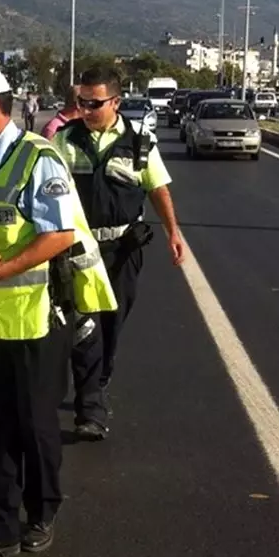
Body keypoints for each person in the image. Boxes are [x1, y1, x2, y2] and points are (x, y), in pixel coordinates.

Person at [0, 62, 116, 557]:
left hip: (36, 317)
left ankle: (42, 513)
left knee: (36, 426)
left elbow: (58, 234)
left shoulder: (39, 159)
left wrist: (3, 270)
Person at [49, 66, 187, 441]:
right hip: (79, 251)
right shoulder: (64, 140)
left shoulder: (140, 142)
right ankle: (89, 408)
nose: (87, 109)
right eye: (82, 102)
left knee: (112, 323)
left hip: (123, 251)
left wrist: (174, 232)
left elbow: (158, 189)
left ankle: (101, 377)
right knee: (84, 325)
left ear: (116, 102)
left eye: (94, 103)